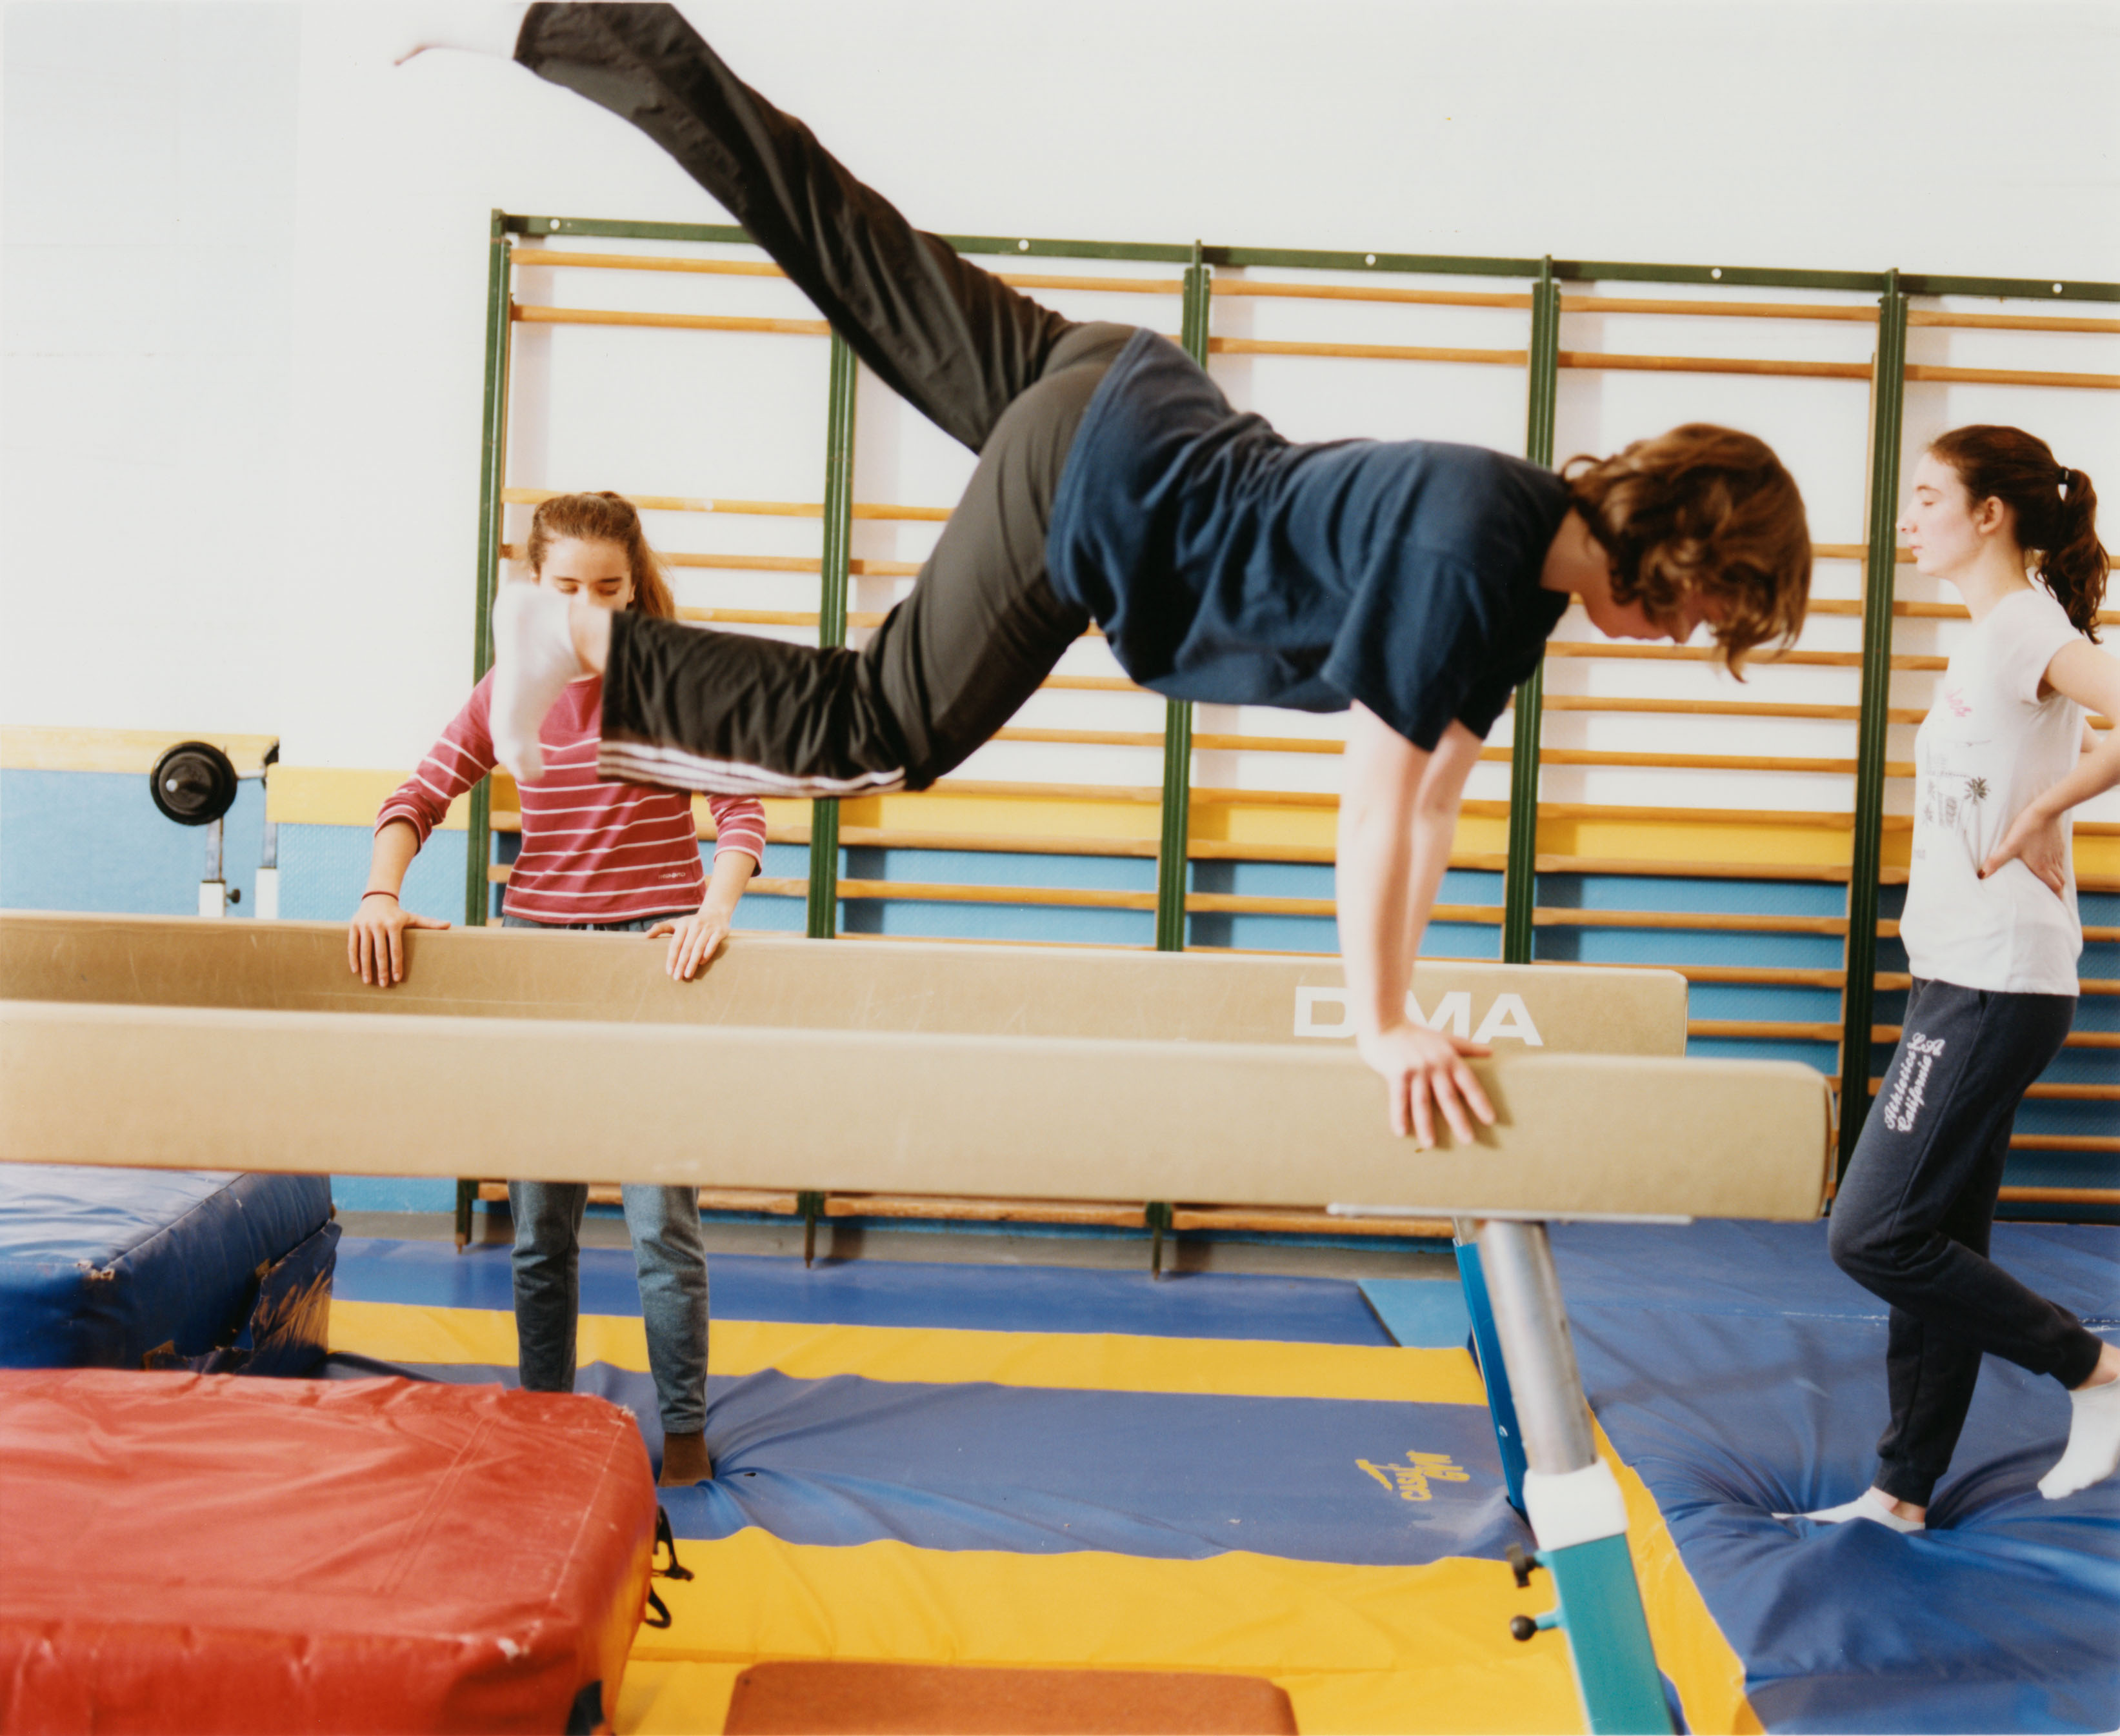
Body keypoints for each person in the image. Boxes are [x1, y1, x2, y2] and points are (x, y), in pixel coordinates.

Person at [403, 4, 1812, 1144]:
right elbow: (1376, 813)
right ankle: (585, 648)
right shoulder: (1474, 565)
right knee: (878, 723)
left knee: (824, 222)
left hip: (1120, 382)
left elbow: (1435, 802)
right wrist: (1379, 1019)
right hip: (1102, 489)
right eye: (1695, 615)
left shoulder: (1517, 565)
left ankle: (561, 23)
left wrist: (1400, 987)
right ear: (1671, 557)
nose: (1674, 637)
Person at [348, 489, 768, 1486]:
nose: (589, 606)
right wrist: (379, 891)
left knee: (664, 1223)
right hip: (541, 954)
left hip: (652, 963)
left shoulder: (672, 680)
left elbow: (741, 809)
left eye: (610, 588)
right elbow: (416, 795)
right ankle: (542, 1420)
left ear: (636, 585)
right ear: (533, 590)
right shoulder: (510, 693)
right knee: (541, 1227)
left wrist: (715, 906)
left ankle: (682, 1432)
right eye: (568, 587)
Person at [1782, 426, 2120, 1531]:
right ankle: (1901, 1490)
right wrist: (2040, 796)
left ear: (1989, 514)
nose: (1905, 516)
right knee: (1940, 1240)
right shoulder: (1995, 632)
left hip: (1993, 984)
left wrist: (2047, 807)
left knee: (1872, 1233)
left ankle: (2091, 1370)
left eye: (1926, 496)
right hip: (1962, 976)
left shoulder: (2022, 623)